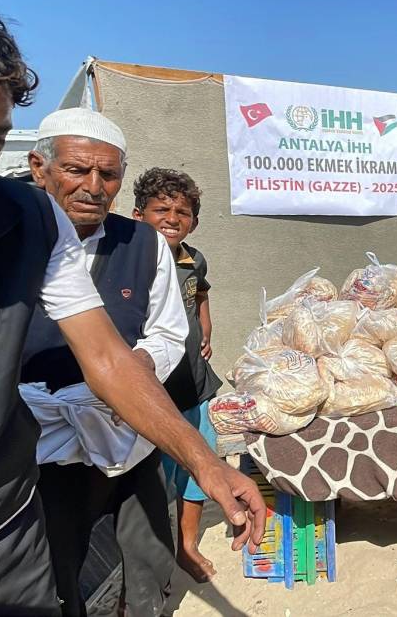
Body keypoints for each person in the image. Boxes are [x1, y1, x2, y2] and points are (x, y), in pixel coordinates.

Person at [0, 0, 262, 614]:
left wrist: (206, 465)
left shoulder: (27, 224)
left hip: (5, 529)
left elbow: (112, 358)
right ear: (43, 165)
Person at [22, 108, 190, 615]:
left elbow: (167, 332)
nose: (94, 186)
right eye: (77, 170)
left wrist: (131, 378)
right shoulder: (7, 244)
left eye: (109, 174)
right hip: (40, 447)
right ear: (39, 167)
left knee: (149, 558)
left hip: (129, 434)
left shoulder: (144, 244)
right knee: (54, 568)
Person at [133, 167, 223, 583]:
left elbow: (200, 292)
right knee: (151, 482)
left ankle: (188, 545)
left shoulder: (193, 258)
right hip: (152, 395)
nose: (172, 218)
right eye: (161, 209)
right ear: (138, 215)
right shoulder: (130, 263)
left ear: (194, 221)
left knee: (197, 468)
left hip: (195, 385)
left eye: (182, 212)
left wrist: (205, 328)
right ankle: (147, 565)